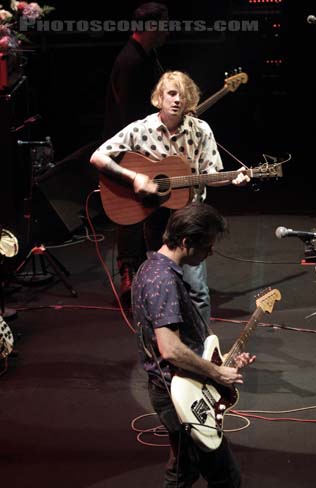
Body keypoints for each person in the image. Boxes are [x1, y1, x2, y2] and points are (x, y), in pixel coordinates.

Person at [131, 202, 281, 488]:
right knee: (225, 478)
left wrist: (221, 361)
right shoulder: (164, 280)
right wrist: (215, 371)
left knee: (180, 474)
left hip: (170, 390)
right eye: (208, 246)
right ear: (186, 241)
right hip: (179, 396)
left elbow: (186, 346)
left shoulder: (151, 269)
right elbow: (169, 348)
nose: (211, 253)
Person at [91, 70, 249, 322]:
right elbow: (98, 156)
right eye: (171, 94)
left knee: (197, 290)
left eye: (183, 96)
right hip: (157, 217)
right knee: (163, 286)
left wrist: (233, 178)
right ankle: (164, 346)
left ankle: (201, 348)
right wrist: (134, 178)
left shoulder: (201, 130)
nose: (177, 100)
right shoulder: (141, 129)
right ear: (159, 98)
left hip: (191, 218)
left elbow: (211, 173)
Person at [103, 2, 169, 302]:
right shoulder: (131, 61)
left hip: (142, 146)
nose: (167, 30)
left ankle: (149, 269)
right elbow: (130, 114)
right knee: (130, 212)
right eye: (164, 24)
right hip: (130, 149)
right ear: (152, 27)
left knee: (149, 209)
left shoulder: (148, 55)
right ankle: (130, 272)